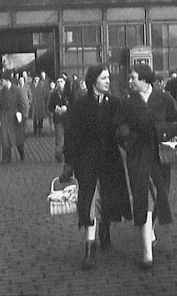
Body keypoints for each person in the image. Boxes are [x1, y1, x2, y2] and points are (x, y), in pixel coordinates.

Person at [60, 64, 132, 270]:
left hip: (110, 159)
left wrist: (125, 137)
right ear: (93, 81)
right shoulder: (80, 106)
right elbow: (72, 136)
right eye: (104, 78)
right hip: (88, 161)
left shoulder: (115, 104)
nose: (108, 81)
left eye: (109, 77)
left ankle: (105, 230)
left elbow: (124, 128)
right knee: (89, 201)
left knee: (107, 197)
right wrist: (69, 163)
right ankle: (89, 248)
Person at [116, 63, 177, 270]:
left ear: (145, 79)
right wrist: (127, 139)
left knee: (161, 196)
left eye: (133, 77)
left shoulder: (164, 98)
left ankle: (151, 230)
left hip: (160, 156)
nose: (130, 81)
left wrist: (161, 132)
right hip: (138, 155)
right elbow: (119, 126)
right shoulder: (127, 102)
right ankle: (147, 254)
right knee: (143, 199)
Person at [0, 72, 29, 163]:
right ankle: (6, 158)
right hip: (4, 117)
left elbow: (23, 104)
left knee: (18, 139)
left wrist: (23, 116)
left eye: (3, 81)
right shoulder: (1, 92)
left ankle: (21, 152)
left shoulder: (17, 90)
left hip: (15, 118)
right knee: (5, 138)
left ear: (7, 80)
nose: (2, 83)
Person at [47, 76, 69, 163]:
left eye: (61, 82)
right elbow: (49, 107)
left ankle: (68, 155)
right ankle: (58, 156)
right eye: (58, 82)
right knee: (59, 138)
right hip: (58, 119)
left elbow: (74, 105)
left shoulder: (69, 93)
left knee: (68, 137)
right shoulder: (54, 94)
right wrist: (54, 108)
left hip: (67, 119)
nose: (59, 84)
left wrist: (67, 107)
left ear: (64, 82)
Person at [32, 71, 52, 136]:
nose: (36, 80)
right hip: (34, 103)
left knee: (40, 117)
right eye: (35, 79)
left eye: (37, 78)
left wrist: (45, 102)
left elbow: (45, 93)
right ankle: (35, 130)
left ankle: (40, 130)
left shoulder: (41, 84)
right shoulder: (31, 85)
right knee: (34, 118)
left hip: (40, 102)